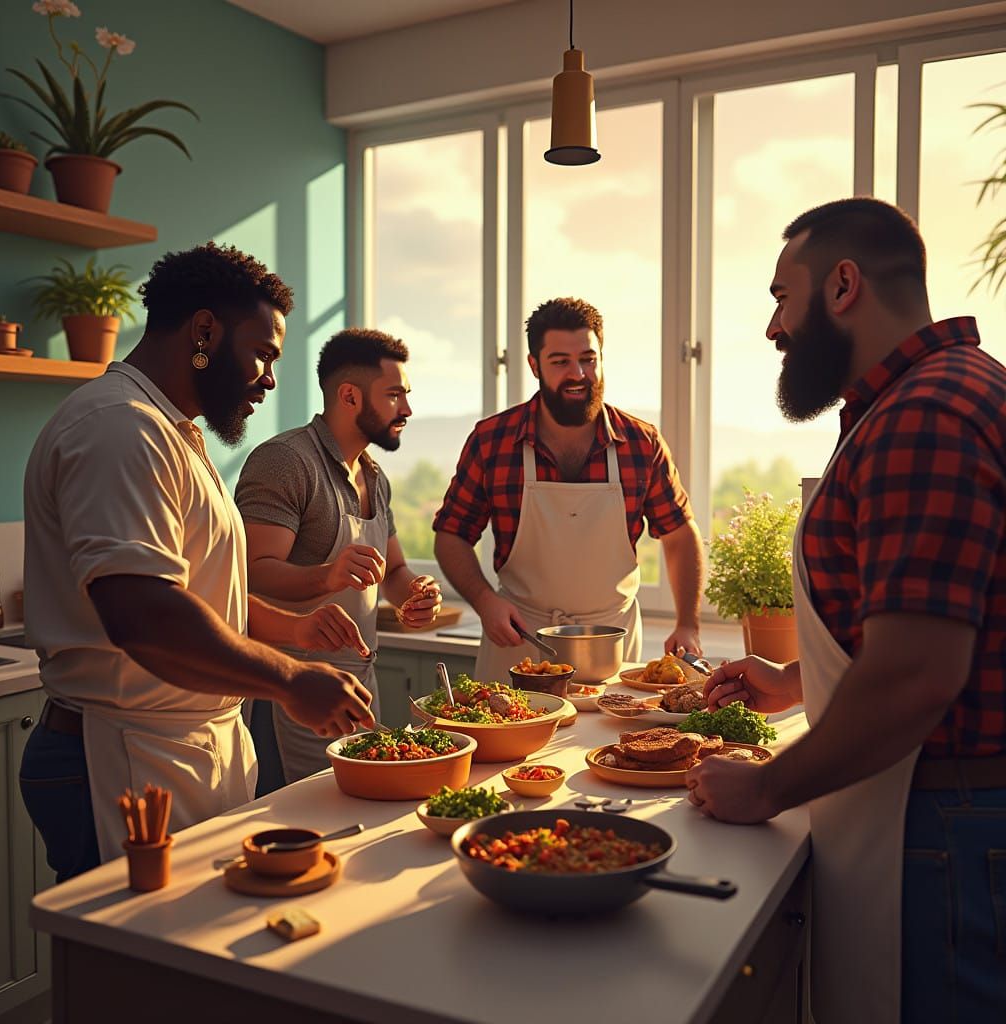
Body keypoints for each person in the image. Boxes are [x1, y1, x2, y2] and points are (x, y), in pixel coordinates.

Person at [685, 198, 1006, 1023]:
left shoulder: (923, 416)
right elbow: (926, 624)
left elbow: (912, 676)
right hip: (934, 808)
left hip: (944, 823)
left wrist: (766, 789)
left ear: (843, 286)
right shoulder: (938, 395)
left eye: (780, 297)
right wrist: (797, 681)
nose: (772, 327)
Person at [19, 242, 375, 883]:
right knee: (139, 973)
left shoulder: (169, 429)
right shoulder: (118, 428)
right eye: (264, 354)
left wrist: (292, 628)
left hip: (172, 750)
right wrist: (291, 679)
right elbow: (146, 615)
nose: (269, 378)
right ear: (205, 329)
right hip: (119, 761)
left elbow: (195, 591)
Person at [433, 296, 704, 683]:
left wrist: (688, 623)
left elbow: (679, 535)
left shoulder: (641, 444)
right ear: (534, 365)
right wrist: (484, 601)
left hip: (610, 643)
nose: (578, 373)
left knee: (607, 744)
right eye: (560, 361)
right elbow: (451, 535)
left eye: (588, 359)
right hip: (519, 640)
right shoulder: (492, 441)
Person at [236, 328, 442, 783]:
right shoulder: (285, 462)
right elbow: (249, 575)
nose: (406, 410)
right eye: (393, 396)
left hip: (357, 688)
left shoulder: (375, 475)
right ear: (349, 396)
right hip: (289, 694)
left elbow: (394, 572)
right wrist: (326, 577)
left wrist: (416, 593)